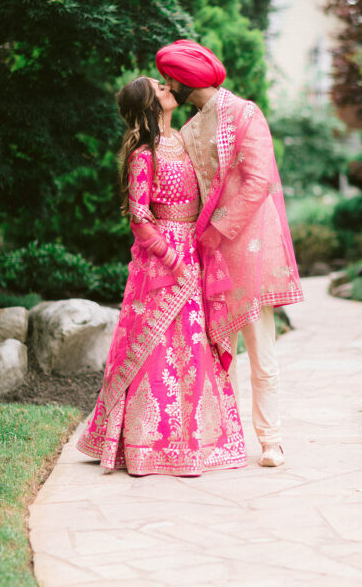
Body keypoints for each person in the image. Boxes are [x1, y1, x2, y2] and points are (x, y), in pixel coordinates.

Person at [77, 77, 246, 476]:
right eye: (158, 85)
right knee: (156, 347)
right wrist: (173, 259)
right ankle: (144, 445)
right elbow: (139, 217)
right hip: (162, 262)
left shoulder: (184, 142)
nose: (167, 85)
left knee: (193, 345)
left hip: (194, 251)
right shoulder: (142, 153)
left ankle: (193, 443)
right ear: (150, 103)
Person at [155, 40, 304, 468]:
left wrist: (215, 231)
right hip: (206, 253)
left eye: (171, 81)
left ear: (186, 82)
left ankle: (271, 440)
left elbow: (258, 181)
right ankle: (225, 438)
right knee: (215, 351)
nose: (168, 86)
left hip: (248, 247)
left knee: (261, 348)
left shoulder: (244, 114)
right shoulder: (186, 131)